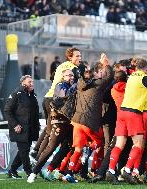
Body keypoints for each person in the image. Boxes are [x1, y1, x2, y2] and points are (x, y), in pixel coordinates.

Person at [63, 53, 113, 183]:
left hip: (76, 121)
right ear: (94, 74)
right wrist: (106, 64)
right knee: (100, 142)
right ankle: (89, 152)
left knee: (77, 148)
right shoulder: (97, 85)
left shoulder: (80, 84)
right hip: (88, 122)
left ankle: (69, 173)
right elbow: (109, 78)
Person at [30, 48, 81, 162]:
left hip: (47, 98)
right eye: (77, 56)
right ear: (70, 57)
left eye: (80, 56)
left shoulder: (61, 66)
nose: (79, 58)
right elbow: (79, 86)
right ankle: (38, 158)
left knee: (49, 129)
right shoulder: (73, 69)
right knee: (52, 131)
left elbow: (53, 77)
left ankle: (36, 151)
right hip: (56, 100)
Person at [27, 69, 76, 183]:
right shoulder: (60, 86)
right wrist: (76, 86)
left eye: (72, 75)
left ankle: (52, 170)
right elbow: (65, 95)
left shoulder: (73, 86)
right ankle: (34, 172)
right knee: (51, 147)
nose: (71, 77)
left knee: (69, 148)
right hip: (60, 122)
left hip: (70, 123)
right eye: (69, 75)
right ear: (63, 77)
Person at [5, 75, 40, 179]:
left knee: (23, 151)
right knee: (24, 150)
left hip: (30, 129)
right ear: (23, 83)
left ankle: (12, 170)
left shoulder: (33, 96)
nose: (32, 84)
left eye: (32, 82)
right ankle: (29, 172)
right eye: (29, 82)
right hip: (20, 128)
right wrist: (15, 124)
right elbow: (7, 110)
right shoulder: (17, 94)